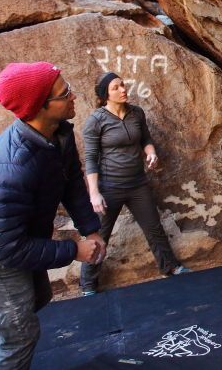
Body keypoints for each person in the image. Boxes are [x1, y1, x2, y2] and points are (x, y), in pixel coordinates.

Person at [0, 62, 105, 370]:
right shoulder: (8, 169)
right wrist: (73, 250)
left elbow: (70, 180)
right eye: (65, 93)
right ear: (40, 107)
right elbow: (3, 248)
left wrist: (91, 230)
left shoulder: (58, 133)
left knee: (36, 297)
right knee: (20, 332)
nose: (74, 95)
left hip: (10, 241)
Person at [79, 72, 188, 297]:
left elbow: (146, 139)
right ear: (104, 95)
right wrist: (94, 193)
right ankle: (88, 285)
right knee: (99, 236)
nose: (123, 90)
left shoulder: (136, 113)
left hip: (138, 184)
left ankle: (171, 266)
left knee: (153, 227)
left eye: (123, 85)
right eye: (116, 87)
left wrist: (151, 152)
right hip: (110, 187)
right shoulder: (96, 121)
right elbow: (90, 158)